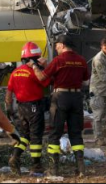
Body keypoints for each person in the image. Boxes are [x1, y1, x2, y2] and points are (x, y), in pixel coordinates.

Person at [30, 35, 90, 177]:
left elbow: (42, 78)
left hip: (60, 98)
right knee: (76, 134)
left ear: (62, 45)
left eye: (56, 46)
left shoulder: (58, 60)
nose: (56, 48)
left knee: (54, 134)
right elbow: (86, 81)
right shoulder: (81, 60)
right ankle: (81, 168)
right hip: (76, 98)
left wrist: (33, 65)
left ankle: (54, 168)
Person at [6, 42, 50, 175]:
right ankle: (36, 165)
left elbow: (8, 94)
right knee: (36, 136)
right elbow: (47, 81)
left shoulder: (15, 72)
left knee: (26, 135)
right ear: (35, 58)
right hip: (34, 107)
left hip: (21, 108)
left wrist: (9, 110)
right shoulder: (34, 72)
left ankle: (15, 156)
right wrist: (45, 66)